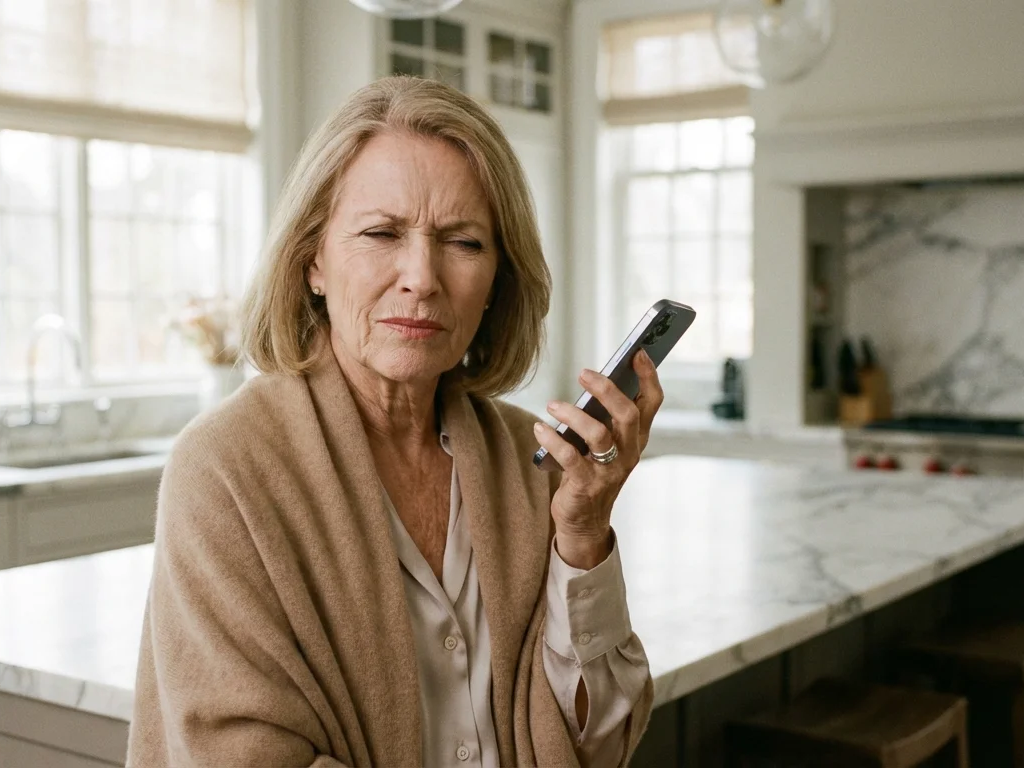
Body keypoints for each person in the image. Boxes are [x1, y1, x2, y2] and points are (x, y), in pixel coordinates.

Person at [128, 76, 663, 767]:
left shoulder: (529, 462)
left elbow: (602, 739)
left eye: (464, 243)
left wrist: (582, 535)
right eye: (381, 233)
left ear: (500, 276)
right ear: (313, 260)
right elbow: (240, 753)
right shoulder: (226, 468)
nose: (422, 277)